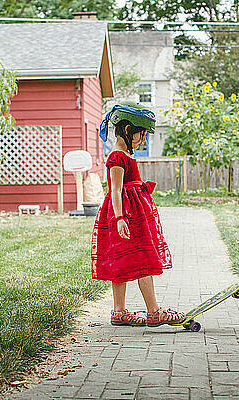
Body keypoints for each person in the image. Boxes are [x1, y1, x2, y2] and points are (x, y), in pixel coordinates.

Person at [91, 101, 185, 327]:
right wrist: (120, 218)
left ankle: (119, 311)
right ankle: (153, 311)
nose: (142, 140)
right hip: (126, 214)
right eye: (140, 135)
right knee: (140, 257)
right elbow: (114, 189)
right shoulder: (116, 157)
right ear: (126, 130)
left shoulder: (125, 155)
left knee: (126, 259)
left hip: (134, 212)